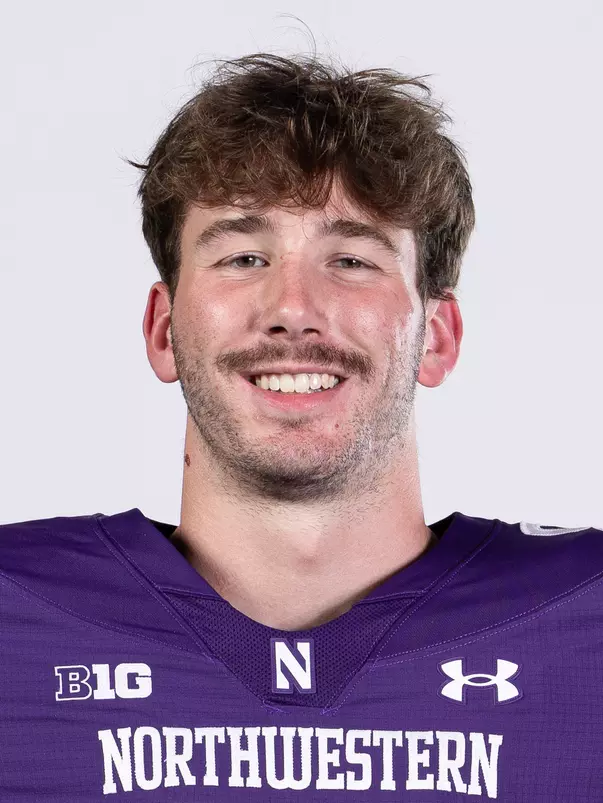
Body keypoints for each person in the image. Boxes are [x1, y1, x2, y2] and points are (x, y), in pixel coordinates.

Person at [1, 51, 601, 803]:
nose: (292, 307)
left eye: (350, 260)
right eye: (242, 256)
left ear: (437, 336)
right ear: (161, 329)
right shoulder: (15, 620)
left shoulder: (582, 624)